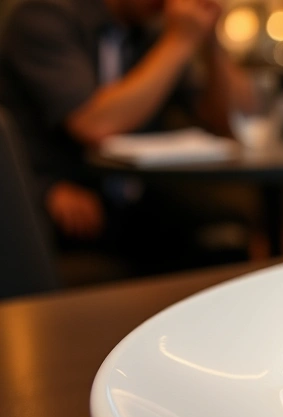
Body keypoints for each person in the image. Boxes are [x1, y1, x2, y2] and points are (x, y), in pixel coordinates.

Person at [0, 0, 254, 274]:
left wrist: (210, 42)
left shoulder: (150, 31)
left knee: (225, 231)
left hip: (131, 198)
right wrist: (179, 42)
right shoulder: (44, 15)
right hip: (59, 195)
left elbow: (231, 120)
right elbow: (93, 123)